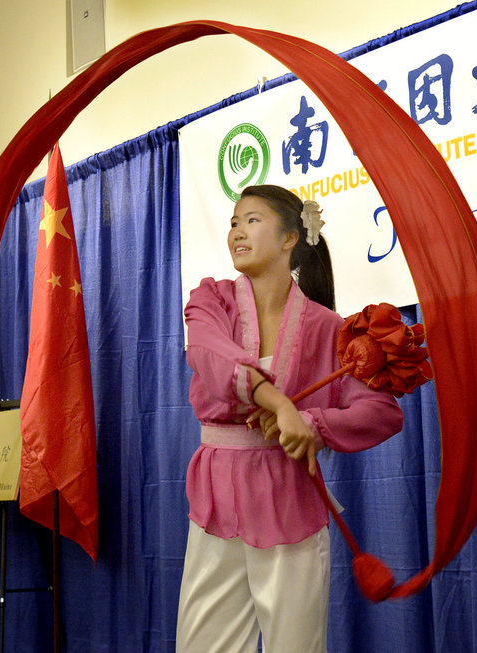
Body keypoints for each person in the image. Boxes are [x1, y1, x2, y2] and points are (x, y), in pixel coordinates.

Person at [176, 185, 404, 653]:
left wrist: (313, 424)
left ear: (289, 239)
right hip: (217, 498)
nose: (237, 231)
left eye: (252, 220)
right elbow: (208, 353)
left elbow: (381, 412)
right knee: (202, 645)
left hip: (289, 499)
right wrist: (278, 403)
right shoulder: (210, 301)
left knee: (295, 645)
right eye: (234, 222)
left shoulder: (329, 327)